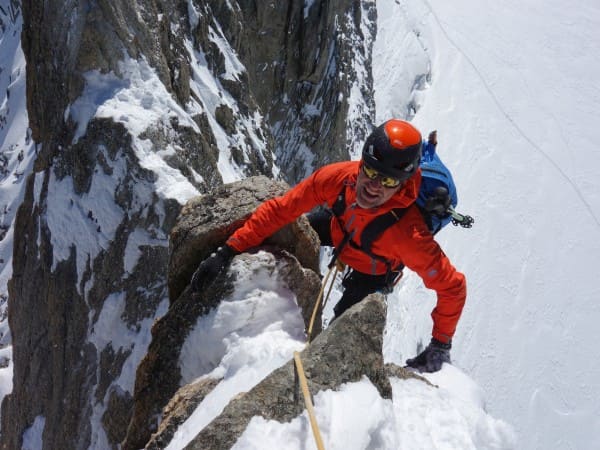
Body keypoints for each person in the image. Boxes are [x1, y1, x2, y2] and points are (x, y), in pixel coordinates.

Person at [191, 119, 466, 373]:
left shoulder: (409, 236)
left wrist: (440, 345)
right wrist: (229, 249)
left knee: (337, 339)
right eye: (370, 171)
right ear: (362, 163)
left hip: (372, 271)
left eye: (389, 181)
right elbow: (282, 209)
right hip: (342, 228)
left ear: (403, 184)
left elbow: (452, 286)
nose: (374, 185)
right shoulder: (339, 179)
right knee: (291, 229)